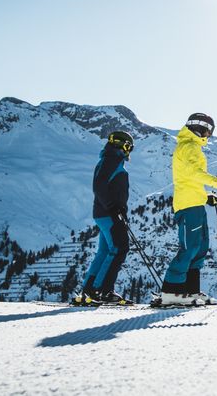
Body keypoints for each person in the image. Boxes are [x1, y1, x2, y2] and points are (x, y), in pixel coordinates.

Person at [155, 113, 217, 307]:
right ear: (200, 128)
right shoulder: (189, 146)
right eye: (209, 131)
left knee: (200, 248)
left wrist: (205, 196)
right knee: (189, 247)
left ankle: (191, 291)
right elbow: (194, 173)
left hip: (195, 202)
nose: (209, 135)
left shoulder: (191, 146)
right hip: (187, 205)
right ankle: (171, 292)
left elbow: (190, 178)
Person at [74, 131, 134, 306]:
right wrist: (114, 207)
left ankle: (89, 290)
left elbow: (103, 186)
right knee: (119, 248)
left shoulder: (109, 159)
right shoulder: (111, 160)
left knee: (105, 252)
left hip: (105, 213)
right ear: (123, 145)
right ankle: (102, 291)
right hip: (109, 213)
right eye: (129, 146)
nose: (129, 150)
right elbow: (99, 186)